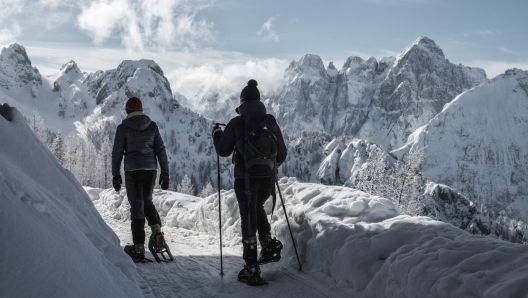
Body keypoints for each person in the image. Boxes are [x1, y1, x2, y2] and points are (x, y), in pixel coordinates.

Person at [212, 79, 287, 286]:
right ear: (259, 101)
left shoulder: (237, 123)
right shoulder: (270, 121)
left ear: (242, 102)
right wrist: (268, 166)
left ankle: (251, 267)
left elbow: (223, 151)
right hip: (267, 181)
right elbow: (282, 153)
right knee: (258, 207)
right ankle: (267, 243)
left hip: (245, 180)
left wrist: (217, 134)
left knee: (248, 218)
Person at [111, 97, 170, 263]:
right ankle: (157, 233)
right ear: (141, 110)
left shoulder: (123, 128)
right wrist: (165, 173)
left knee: (137, 206)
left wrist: (116, 175)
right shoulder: (152, 126)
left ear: (127, 111)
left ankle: (138, 249)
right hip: (150, 169)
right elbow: (161, 150)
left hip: (133, 170)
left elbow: (117, 154)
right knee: (147, 201)